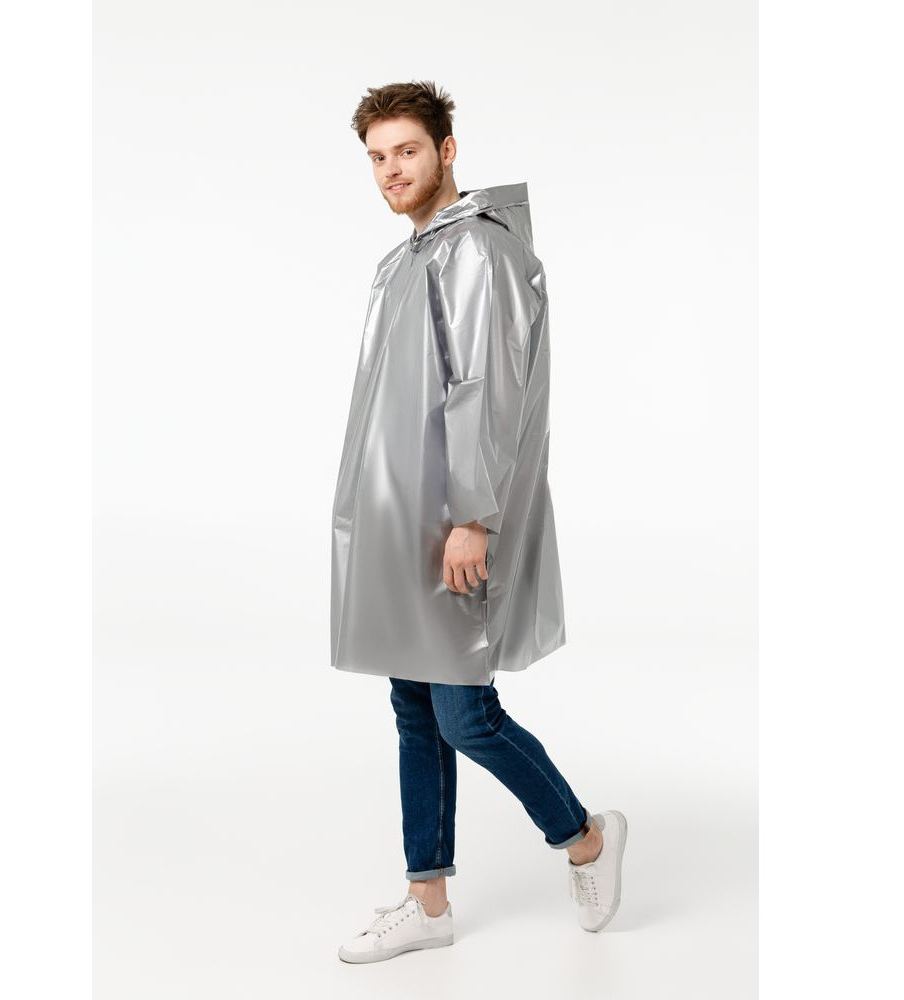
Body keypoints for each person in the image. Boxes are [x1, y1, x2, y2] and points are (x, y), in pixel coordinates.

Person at [330, 80, 627, 964]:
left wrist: (473, 516)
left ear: (447, 150)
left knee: (465, 714)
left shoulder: (477, 251)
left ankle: (586, 839)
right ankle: (428, 901)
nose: (391, 170)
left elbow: (484, 390)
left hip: (453, 524)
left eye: (407, 151)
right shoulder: (408, 258)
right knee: (414, 707)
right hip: (404, 526)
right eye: (377, 158)